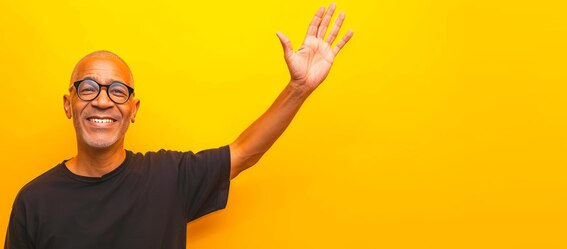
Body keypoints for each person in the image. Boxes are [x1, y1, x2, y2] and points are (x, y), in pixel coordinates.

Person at [4, 3, 353, 249]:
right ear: (69, 104)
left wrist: (299, 89)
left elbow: (245, 152)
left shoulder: (170, 177)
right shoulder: (34, 201)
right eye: (88, 88)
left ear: (133, 109)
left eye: (118, 91)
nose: (102, 100)